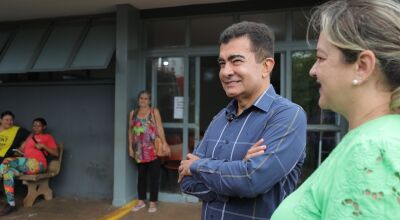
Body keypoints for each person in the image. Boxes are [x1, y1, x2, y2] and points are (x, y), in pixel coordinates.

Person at [271, 0, 400, 219]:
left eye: (321, 58)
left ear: (362, 66)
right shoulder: (377, 138)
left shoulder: (370, 151)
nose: (313, 70)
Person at [178, 21, 307, 220]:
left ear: (266, 66)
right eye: (222, 63)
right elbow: (186, 182)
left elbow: (251, 180)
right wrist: (235, 173)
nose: (225, 71)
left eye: (236, 61)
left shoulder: (288, 116)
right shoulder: (219, 118)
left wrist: (199, 166)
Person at [0, 117, 58, 216]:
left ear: (44, 127)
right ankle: (11, 204)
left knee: (5, 163)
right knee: (7, 172)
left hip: (38, 164)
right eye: (34, 125)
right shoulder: (30, 139)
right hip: (25, 165)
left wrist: (43, 146)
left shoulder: (47, 137)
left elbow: (56, 153)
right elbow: (23, 153)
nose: (36, 128)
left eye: (38, 126)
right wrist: (19, 151)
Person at [129, 90, 169, 213]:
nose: (143, 100)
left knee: (154, 177)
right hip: (139, 151)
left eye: (146, 98)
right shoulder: (133, 113)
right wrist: (130, 147)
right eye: (141, 98)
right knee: (141, 177)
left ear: (149, 101)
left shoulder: (154, 112)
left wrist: (164, 142)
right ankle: (141, 201)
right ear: (138, 100)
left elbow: (160, 127)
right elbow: (130, 131)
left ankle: (152, 202)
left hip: (153, 150)